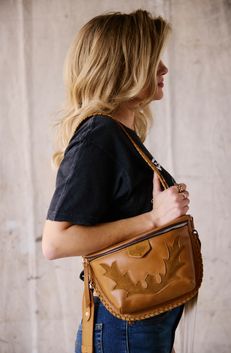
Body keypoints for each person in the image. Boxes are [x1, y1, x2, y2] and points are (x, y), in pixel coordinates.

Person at [42, 9, 190, 353]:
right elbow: (56, 243)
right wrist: (154, 218)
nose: (164, 69)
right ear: (127, 65)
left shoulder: (120, 134)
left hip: (136, 324)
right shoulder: (100, 134)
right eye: (154, 60)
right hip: (124, 328)